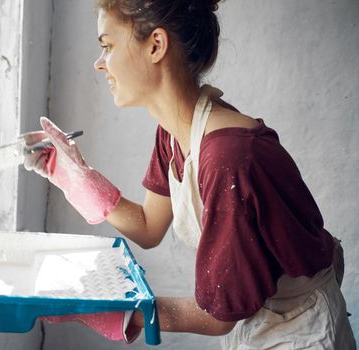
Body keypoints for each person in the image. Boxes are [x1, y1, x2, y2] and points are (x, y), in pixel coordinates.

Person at [24, 0, 357, 348]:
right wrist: (75, 176)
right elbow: (149, 227)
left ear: (156, 44)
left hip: (301, 329)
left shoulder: (228, 156)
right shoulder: (174, 132)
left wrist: (115, 310)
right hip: (260, 319)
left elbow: (217, 317)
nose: (99, 63)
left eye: (107, 46)